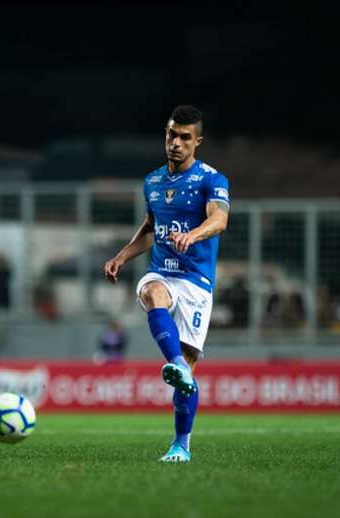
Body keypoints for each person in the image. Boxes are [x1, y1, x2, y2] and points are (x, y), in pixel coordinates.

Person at [104, 105, 229, 462]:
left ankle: (181, 445)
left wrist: (195, 234)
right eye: (171, 134)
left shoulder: (211, 180)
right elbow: (149, 228)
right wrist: (122, 256)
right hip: (164, 272)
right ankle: (173, 360)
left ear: (197, 142)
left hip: (196, 283)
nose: (176, 142)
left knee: (187, 374)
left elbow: (220, 220)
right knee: (150, 291)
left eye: (184, 137)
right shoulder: (153, 181)